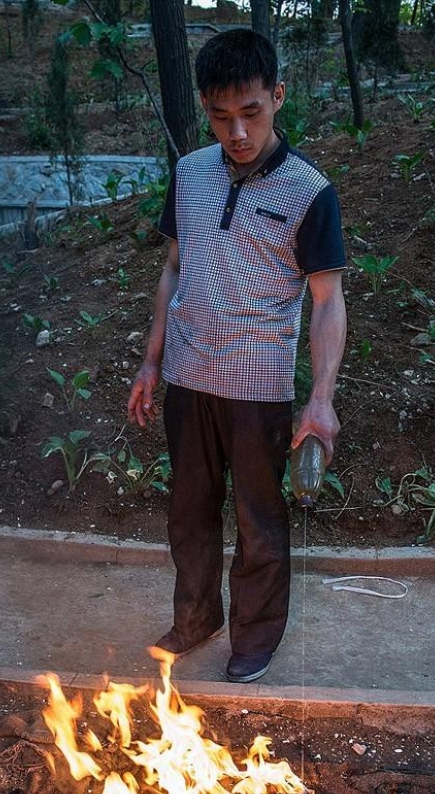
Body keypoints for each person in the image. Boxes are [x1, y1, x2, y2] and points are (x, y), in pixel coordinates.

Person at [127, 28, 347, 683]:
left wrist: (321, 398)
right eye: (222, 116)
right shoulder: (189, 173)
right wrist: (151, 360)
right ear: (205, 106)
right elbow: (173, 267)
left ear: (277, 96)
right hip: (188, 375)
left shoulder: (309, 191)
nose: (238, 132)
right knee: (188, 511)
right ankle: (196, 617)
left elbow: (327, 300)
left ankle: (255, 635)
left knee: (258, 519)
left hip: (258, 384)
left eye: (251, 112)